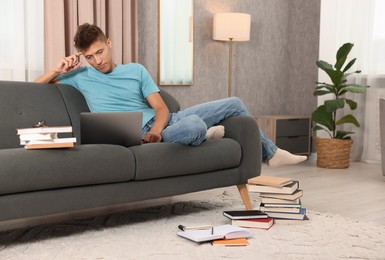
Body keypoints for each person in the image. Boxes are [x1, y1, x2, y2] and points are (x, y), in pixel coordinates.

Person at [35, 23, 307, 168]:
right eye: (90, 56)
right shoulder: (80, 75)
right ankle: (201, 133)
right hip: (128, 132)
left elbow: (162, 109)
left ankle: (271, 154)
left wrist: (157, 129)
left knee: (234, 102)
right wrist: (55, 69)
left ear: (109, 43)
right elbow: (35, 86)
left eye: (100, 52)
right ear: (83, 56)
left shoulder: (136, 70)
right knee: (196, 126)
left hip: (164, 122)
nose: (96, 61)